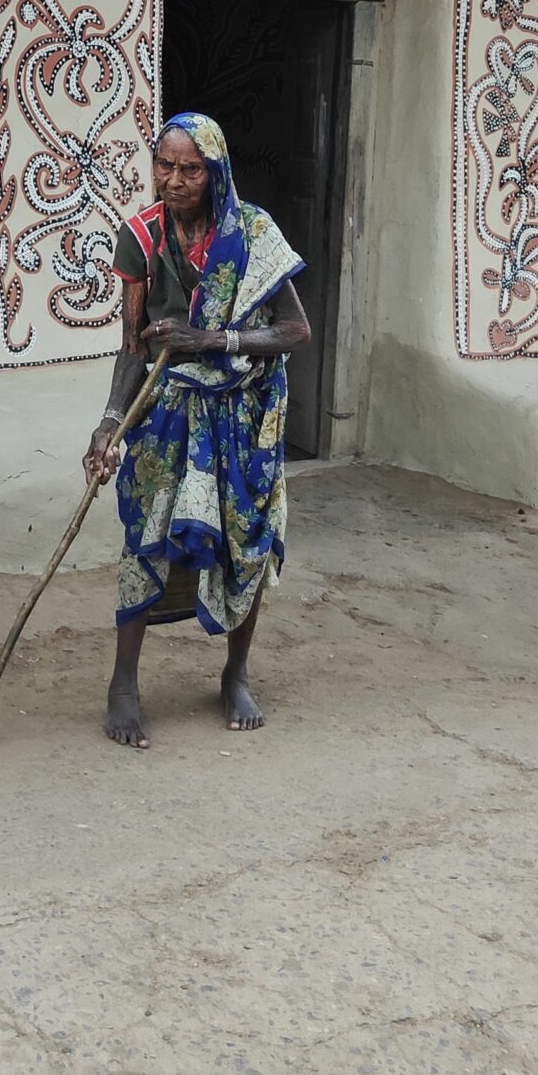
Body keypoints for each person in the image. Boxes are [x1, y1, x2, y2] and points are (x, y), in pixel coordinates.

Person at [82, 113, 310, 748]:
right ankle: (123, 685)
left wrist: (211, 339)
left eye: (190, 169)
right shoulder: (141, 238)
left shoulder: (253, 233)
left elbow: (296, 331)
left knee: (246, 538)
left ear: (215, 173)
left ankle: (235, 674)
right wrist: (109, 424)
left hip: (246, 415)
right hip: (169, 412)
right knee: (147, 532)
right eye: (164, 166)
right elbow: (134, 347)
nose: (174, 180)